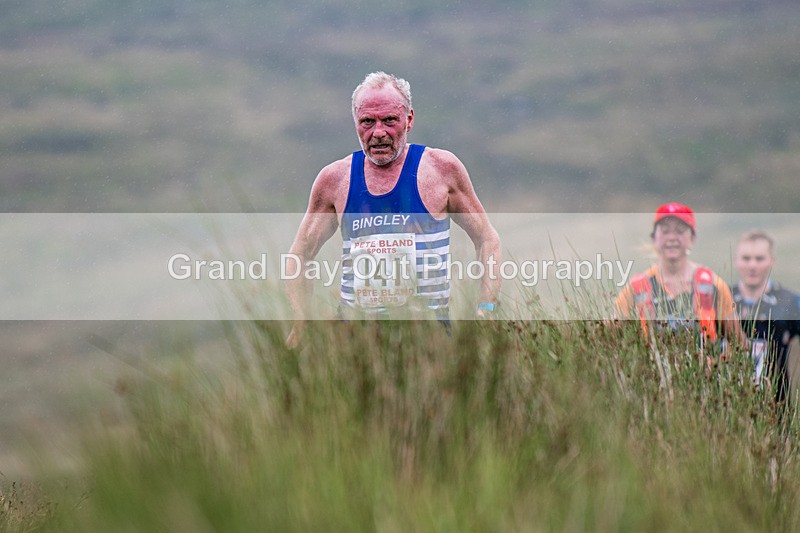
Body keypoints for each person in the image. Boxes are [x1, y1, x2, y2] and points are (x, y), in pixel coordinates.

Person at [286, 71, 501, 347]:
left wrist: (487, 310)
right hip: (354, 338)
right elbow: (300, 255)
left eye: (389, 120)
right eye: (367, 122)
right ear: (355, 122)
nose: (378, 133)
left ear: (409, 119)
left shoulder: (442, 170)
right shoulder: (334, 180)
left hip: (428, 337)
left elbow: (487, 240)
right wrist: (302, 319)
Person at [615, 202, 743, 357]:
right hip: (652, 378)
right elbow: (609, 340)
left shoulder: (713, 285)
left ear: (692, 238)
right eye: (665, 231)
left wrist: (717, 365)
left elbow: (739, 343)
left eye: (680, 231)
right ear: (654, 238)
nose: (672, 238)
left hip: (705, 379)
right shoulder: (636, 289)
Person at [732, 230, 800, 408]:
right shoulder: (722, 299)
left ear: (772, 261)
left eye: (759, 258)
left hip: (775, 407)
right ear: (736, 260)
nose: (752, 265)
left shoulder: (790, 302)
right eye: (746, 258)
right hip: (727, 405)